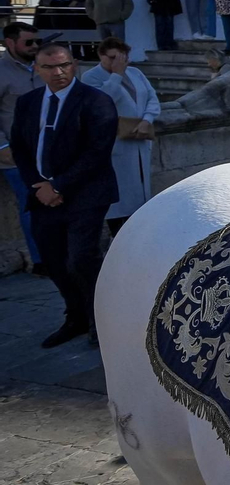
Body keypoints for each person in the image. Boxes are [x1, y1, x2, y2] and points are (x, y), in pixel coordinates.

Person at [10, 40, 119, 347]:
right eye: (50, 67)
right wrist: (39, 185)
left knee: (82, 258)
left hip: (86, 193)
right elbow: (20, 146)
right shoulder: (28, 102)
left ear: (74, 65)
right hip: (43, 195)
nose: (59, 72)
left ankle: (102, 321)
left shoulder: (95, 100)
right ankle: (76, 317)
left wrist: (58, 185)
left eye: (65, 65)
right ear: (37, 69)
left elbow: (97, 152)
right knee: (53, 260)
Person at [79, 37, 158, 236]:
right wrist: (116, 75)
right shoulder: (91, 77)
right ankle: (118, 235)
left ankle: (139, 232)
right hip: (114, 143)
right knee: (119, 194)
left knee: (140, 191)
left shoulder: (136, 73)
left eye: (122, 58)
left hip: (140, 137)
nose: (118, 62)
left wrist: (147, 119)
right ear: (101, 55)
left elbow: (151, 97)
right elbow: (101, 103)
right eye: (113, 58)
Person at [0, 22, 44, 267]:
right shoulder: (1, 71)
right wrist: (2, 148)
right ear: (10, 43)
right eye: (29, 42)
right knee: (31, 205)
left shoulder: (42, 67)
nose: (35, 46)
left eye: (37, 41)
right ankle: (39, 260)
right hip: (15, 155)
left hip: (48, 152)